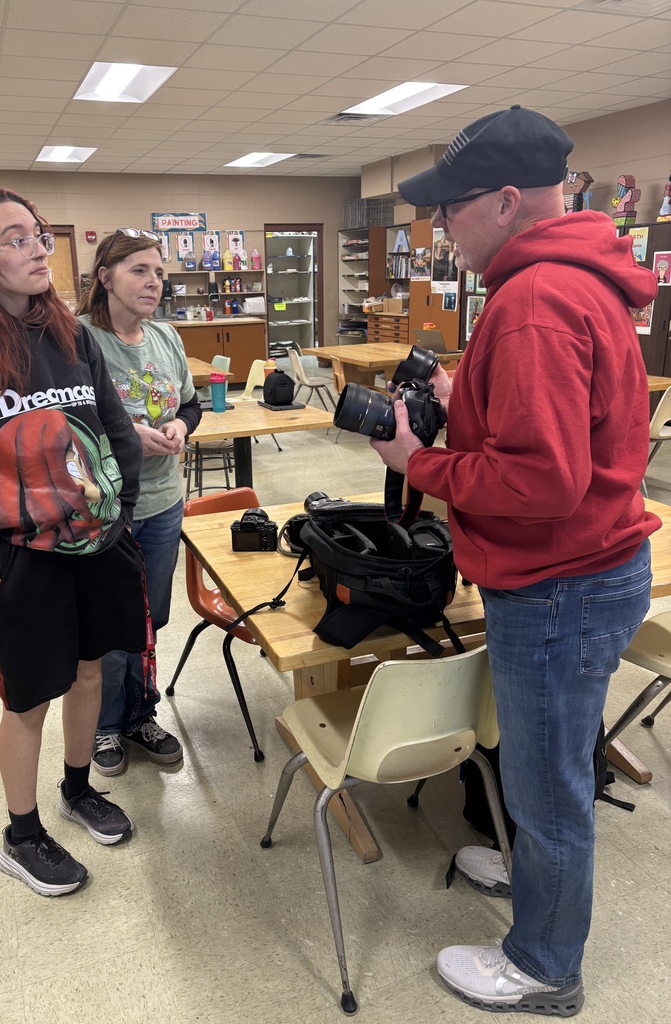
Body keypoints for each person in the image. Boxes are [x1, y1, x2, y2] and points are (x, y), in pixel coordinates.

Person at [374, 106, 660, 1016]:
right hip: (590, 568)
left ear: (505, 201)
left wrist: (417, 463)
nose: (440, 227)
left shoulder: (534, 301)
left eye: (450, 208)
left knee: (549, 786)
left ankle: (543, 965)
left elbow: (541, 481)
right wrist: (468, 397)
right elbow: (567, 432)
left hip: (558, 584)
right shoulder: (577, 280)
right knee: (549, 761)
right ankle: (537, 879)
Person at [0, 187, 149, 896]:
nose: (39, 248)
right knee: (28, 699)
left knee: (90, 674)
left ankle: (77, 788)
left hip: (96, 543)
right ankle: (22, 835)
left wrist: (122, 512)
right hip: (17, 558)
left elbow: (115, 429)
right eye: (16, 239)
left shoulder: (71, 336)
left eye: (37, 234)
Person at [76, 230, 201, 776]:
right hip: (104, 510)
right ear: (105, 277)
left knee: (149, 620)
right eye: (140, 271)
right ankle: (104, 725)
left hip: (163, 502)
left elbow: (191, 405)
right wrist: (128, 434)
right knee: (110, 622)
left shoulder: (166, 337)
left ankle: (139, 714)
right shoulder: (78, 339)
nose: (154, 283)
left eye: (159, 273)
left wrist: (180, 425)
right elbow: (62, 422)